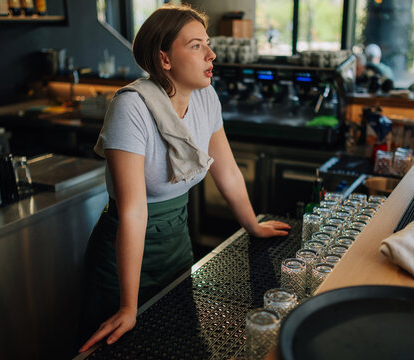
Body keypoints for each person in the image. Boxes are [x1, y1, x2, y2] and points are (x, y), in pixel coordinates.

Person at [77, 4, 290, 353]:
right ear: (164, 59)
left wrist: (253, 225)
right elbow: (133, 210)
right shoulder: (131, 107)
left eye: (207, 43)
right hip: (124, 259)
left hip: (176, 246)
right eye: (195, 45)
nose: (211, 53)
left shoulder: (205, 98)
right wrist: (128, 307)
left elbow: (229, 172)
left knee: (177, 343)